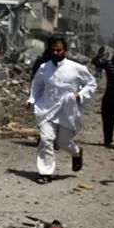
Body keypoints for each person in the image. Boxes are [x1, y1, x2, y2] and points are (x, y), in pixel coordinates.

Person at [27, 36, 98, 184]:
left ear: (65, 50)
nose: (55, 52)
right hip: (47, 109)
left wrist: (80, 95)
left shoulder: (76, 68)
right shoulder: (44, 68)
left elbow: (91, 84)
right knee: (46, 140)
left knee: (64, 143)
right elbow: (37, 85)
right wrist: (31, 100)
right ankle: (45, 173)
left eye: (59, 50)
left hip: (68, 110)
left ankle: (77, 153)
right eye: (53, 50)